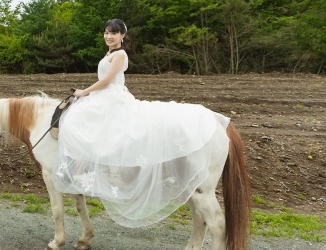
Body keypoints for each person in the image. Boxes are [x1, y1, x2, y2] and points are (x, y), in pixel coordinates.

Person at [52, 19, 230, 227]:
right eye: (106, 33)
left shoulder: (120, 54)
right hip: (104, 96)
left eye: (114, 33)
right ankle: (81, 165)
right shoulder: (109, 53)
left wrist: (83, 92)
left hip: (111, 96)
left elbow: (107, 81)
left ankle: (89, 165)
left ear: (122, 36)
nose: (108, 36)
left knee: (89, 124)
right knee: (79, 119)